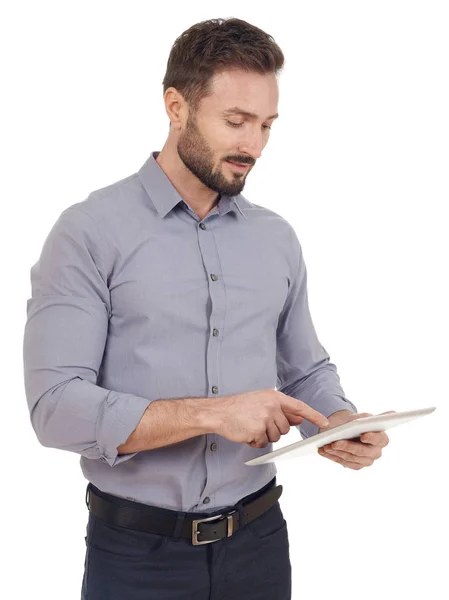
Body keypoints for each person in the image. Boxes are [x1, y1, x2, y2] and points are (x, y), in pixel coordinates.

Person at [23, 17, 391, 600]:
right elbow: (55, 409)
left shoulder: (277, 238)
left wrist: (339, 420)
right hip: (138, 558)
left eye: (267, 125)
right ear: (176, 106)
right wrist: (215, 414)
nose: (253, 146)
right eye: (236, 121)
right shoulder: (88, 232)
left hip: (260, 544)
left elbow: (304, 368)